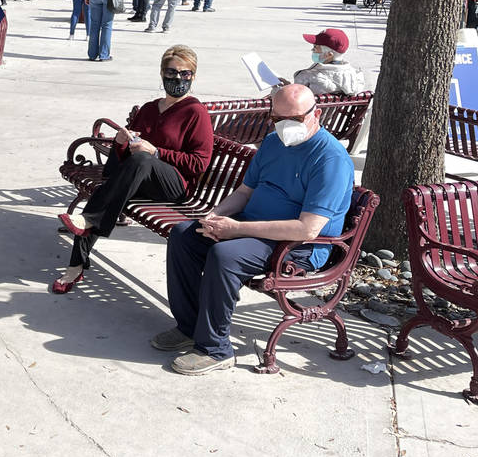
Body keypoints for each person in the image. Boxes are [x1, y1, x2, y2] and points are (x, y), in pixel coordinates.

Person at [154, 84, 354, 375]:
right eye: (278, 118)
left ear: (316, 114)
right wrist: (216, 214)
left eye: (295, 119)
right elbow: (245, 192)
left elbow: (307, 229)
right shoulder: (273, 142)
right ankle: (189, 326)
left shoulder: (330, 159)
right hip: (251, 226)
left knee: (226, 255)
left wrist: (236, 230)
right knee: (185, 234)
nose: (286, 126)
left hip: (295, 246)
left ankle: (216, 348)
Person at [52, 46, 213, 292]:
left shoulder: (195, 112)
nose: (178, 78)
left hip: (173, 185)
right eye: (171, 72)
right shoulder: (149, 108)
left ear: (193, 76)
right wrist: (120, 143)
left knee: (140, 163)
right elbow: (124, 157)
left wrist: (157, 152)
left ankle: (88, 219)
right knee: (105, 191)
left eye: (185, 73)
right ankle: (75, 267)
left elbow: (199, 163)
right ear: (161, 74)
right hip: (139, 177)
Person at [277, 28, 366, 96]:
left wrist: (282, 89)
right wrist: (290, 87)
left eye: (316, 47)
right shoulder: (354, 77)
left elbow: (293, 100)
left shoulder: (311, 78)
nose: (312, 49)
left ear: (329, 55)